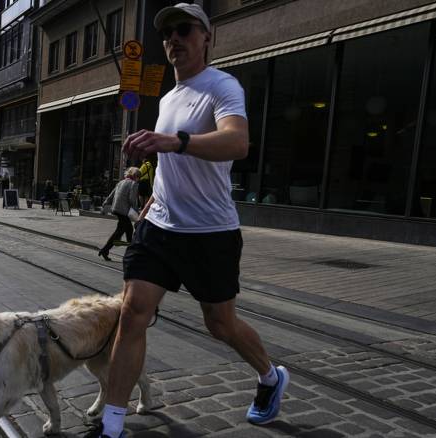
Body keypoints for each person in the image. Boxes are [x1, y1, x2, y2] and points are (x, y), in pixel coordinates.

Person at [84, 5, 288, 437]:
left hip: (210, 232)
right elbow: (173, 165)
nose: (173, 38)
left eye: (184, 30)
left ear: (207, 37)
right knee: (133, 312)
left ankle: (270, 376)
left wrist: (175, 142)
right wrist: (152, 201)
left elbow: (237, 141)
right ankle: (113, 424)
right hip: (159, 227)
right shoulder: (170, 97)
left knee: (220, 324)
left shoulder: (222, 87)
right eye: (167, 33)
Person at [98, 167, 141, 262]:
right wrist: (137, 212)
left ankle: (129, 254)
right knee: (122, 232)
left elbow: (112, 194)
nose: (139, 179)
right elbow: (132, 199)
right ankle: (129, 255)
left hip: (116, 209)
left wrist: (105, 203)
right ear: (135, 176)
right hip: (124, 211)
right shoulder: (133, 184)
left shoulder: (121, 182)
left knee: (125, 231)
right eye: (139, 176)